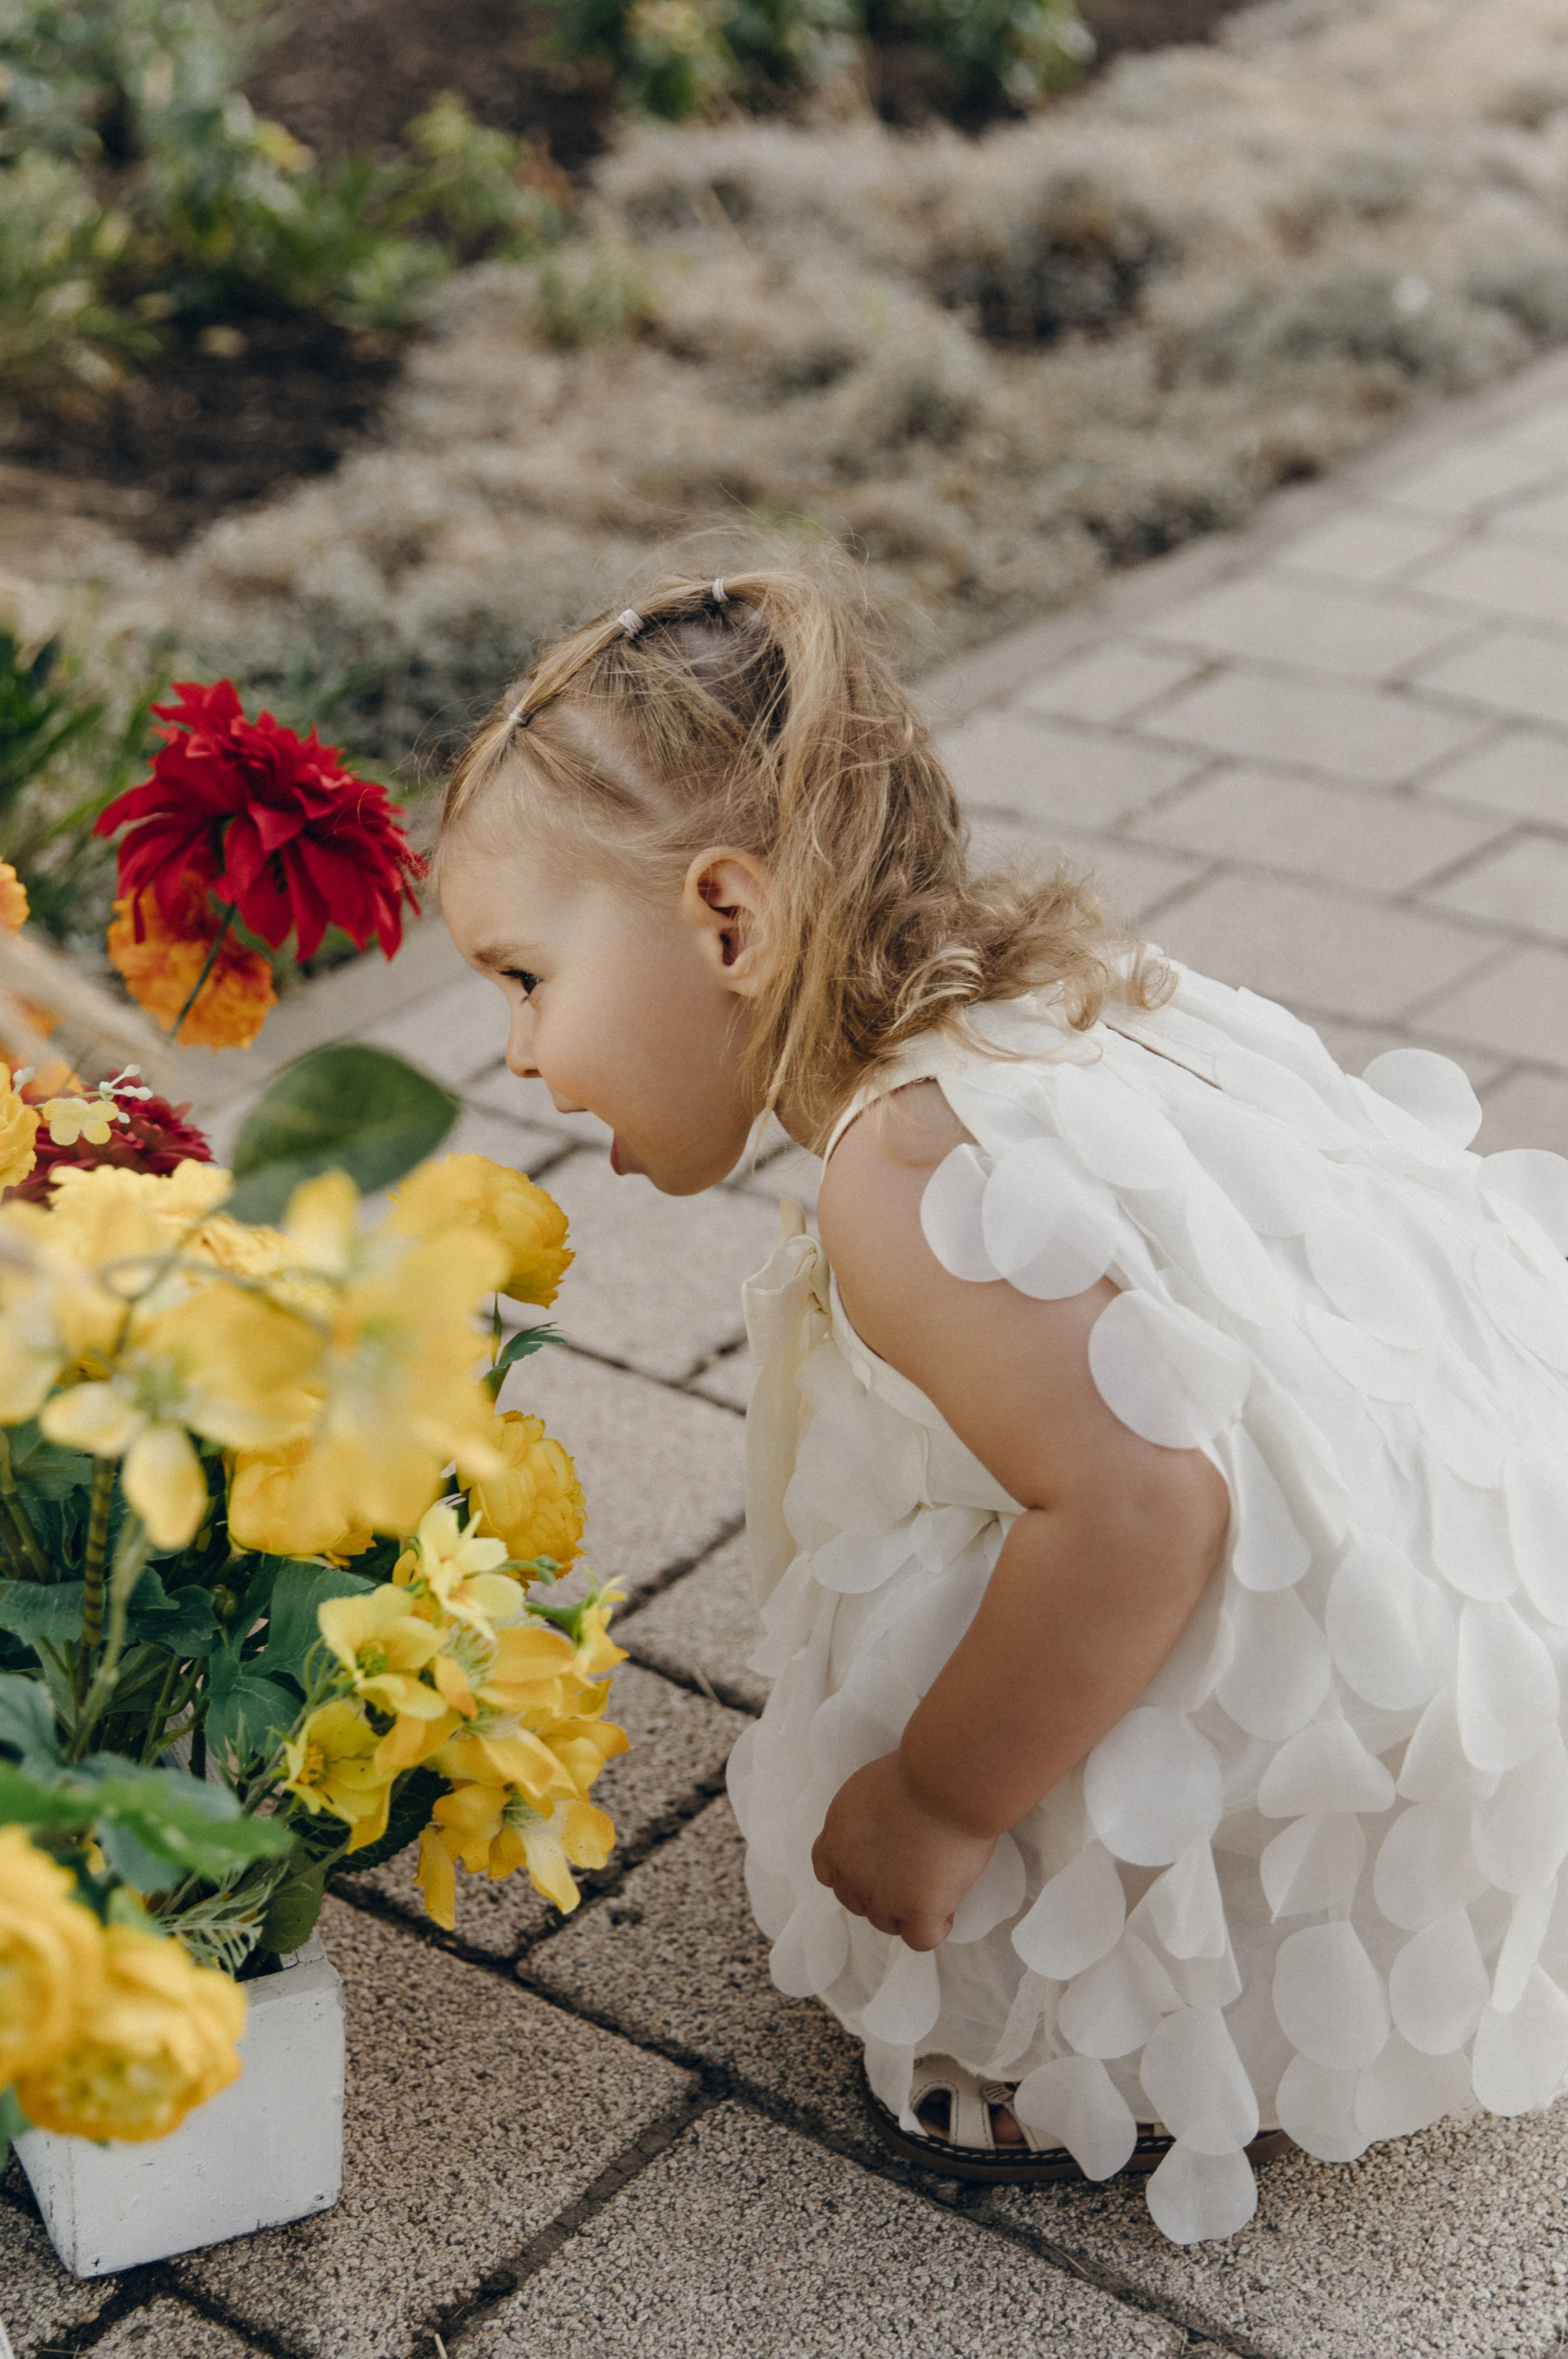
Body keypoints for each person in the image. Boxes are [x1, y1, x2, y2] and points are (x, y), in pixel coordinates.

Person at [433, 564, 1568, 2245]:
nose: (516, 1054)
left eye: (524, 979)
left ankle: (1132, 2007)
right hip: (1449, 1547)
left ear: (724, 923)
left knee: (994, 1605)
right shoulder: (1014, 1014)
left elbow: (1145, 1508)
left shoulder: (900, 1173)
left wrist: (939, 1801)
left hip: (1326, 1645)